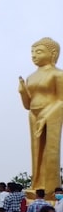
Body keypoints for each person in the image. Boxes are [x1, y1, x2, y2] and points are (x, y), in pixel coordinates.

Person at [19, 37, 63, 196]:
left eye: (38, 51)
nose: (34, 55)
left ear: (53, 53)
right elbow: (27, 105)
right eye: (32, 52)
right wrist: (23, 92)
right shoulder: (31, 77)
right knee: (36, 152)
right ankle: (37, 184)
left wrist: (46, 116)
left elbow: (61, 100)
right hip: (33, 114)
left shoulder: (58, 75)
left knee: (49, 151)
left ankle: (50, 189)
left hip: (51, 113)